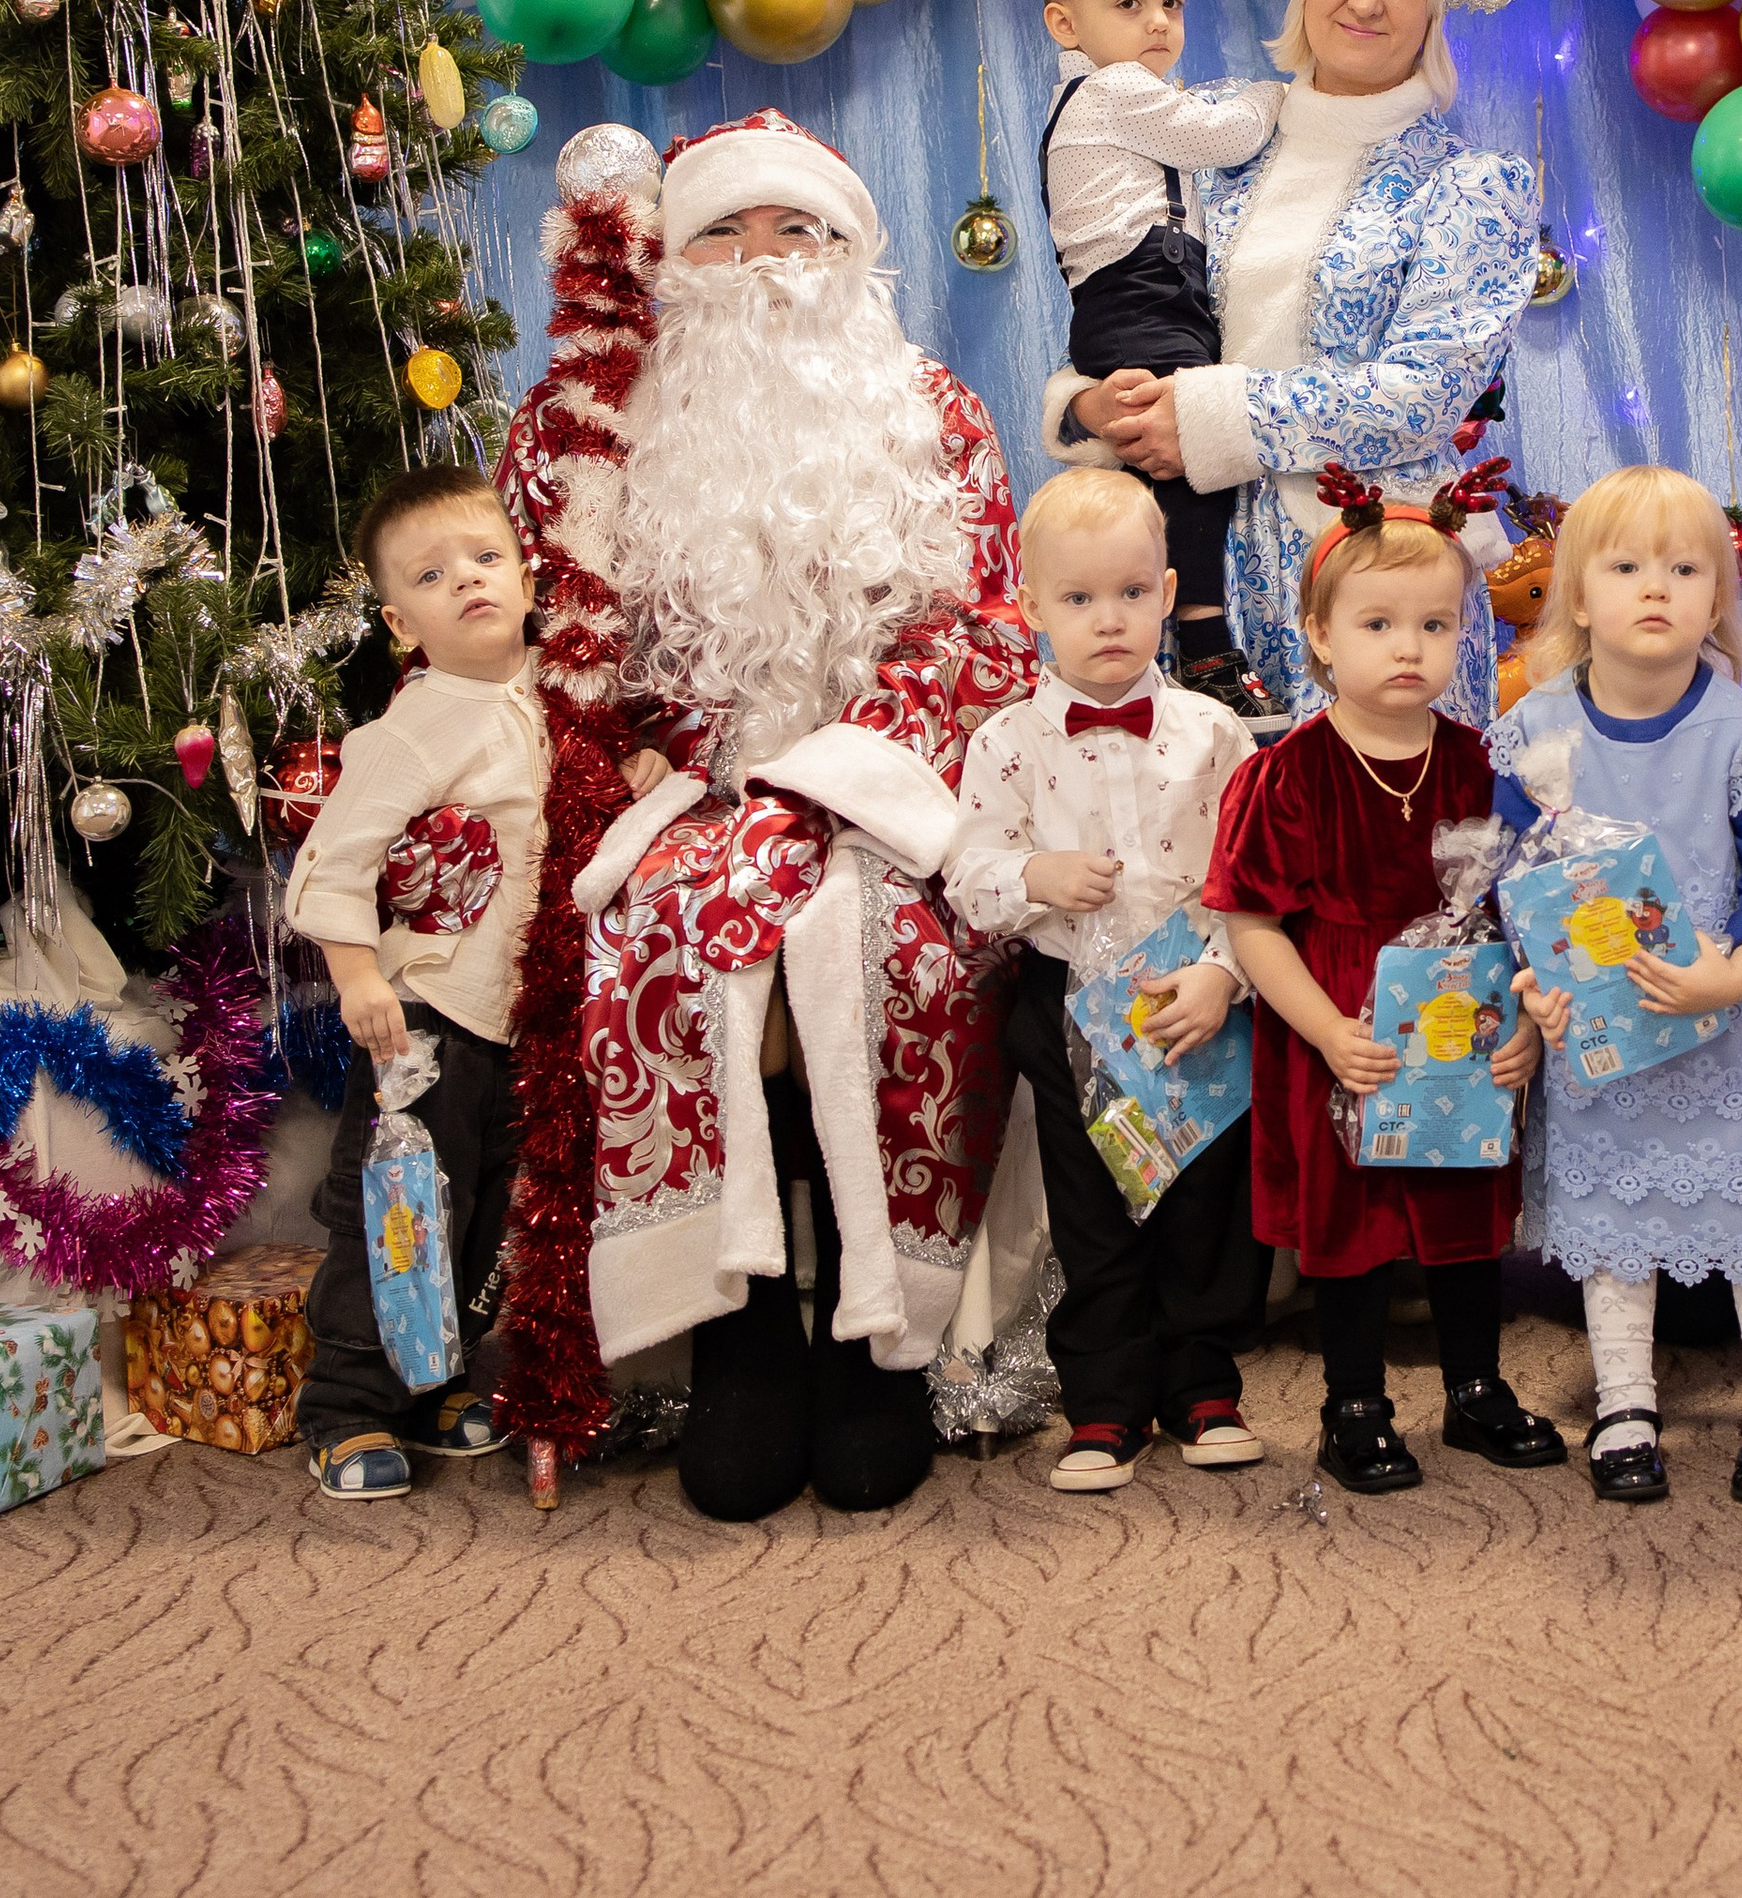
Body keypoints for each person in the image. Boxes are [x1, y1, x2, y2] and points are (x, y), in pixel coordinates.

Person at [495, 112, 1039, 1521]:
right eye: (723, 233)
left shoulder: (935, 410)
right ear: (674, 259)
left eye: (795, 232)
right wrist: (638, 769)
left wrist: (834, 780)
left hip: (888, 788)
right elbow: (548, 633)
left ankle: (879, 1337)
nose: (762, 263)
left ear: (848, 253)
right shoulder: (596, 426)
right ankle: (739, 1339)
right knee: (666, 938)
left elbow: (983, 631)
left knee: (892, 947)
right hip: (677, 791)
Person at [1046, 0, 1542, 723]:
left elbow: (1419, 394)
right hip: (1195, 583)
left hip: (1375, 578)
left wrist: (1212, 418)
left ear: (1437, 6)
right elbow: (1128, 285)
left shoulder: (1474, 188)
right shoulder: (1223, 137)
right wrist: (1086, 405)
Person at [286, 467, 663, 1500]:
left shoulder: (554, 691)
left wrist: (637, 771)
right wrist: (359, 973)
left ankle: (438, 1378)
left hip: (520, 1017)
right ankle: (347, 1404)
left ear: (528, 574)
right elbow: (330, 864)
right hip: (427, 1017)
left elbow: (580, 795)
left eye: (485, 558)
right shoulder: (408, 729)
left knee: (493, 1208)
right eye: (432, 575)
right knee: (401, 1208)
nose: (468, 582)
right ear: (400, 622)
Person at [1492, 468, 1742, 1508]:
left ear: (1716, 597)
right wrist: (1530, 986)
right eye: (1627, 565)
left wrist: (1732, 974)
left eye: (1686, 568)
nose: (1658, 587)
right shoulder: (1533, 735)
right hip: (1607, 1038)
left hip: (1738, 1026)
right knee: (1616, 1215)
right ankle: (1625, 1398)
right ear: (1577, 594)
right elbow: (1506, 883)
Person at [1204, 466, 1559, 1495]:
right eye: (1377, 624)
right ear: (1318, 634)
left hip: (1458, 1026)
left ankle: (1474, 1387)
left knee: (1460, 1214)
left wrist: (1527, 1022)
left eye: (1436, 625)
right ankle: (1351, 1402)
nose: (1409, 648)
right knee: (1348, 1225)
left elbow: (1524, 906)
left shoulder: (1479, 762)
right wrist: (1321, 1030)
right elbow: (1251, 920)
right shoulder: (1287, 772)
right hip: (1339, 1034)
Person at [945, 468, 1268, 1493]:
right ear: (1032, 607)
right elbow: (968, 876)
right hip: (1069, 1001)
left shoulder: (1214, 733)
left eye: (1131, 593)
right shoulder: (1005, 742)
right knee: (1093, 1206)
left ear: (1169, 595)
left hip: (1192, 1001)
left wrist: (1222, 975)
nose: (1109, 621)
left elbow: (1243, 880)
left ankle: (1204, 1386)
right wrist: (1034, 874)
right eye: (1079, 600)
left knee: (1202, 1197)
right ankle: (1105, 1403)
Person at [1035, 0, 1284, 710]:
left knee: (1166, 455)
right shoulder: (1112, 89)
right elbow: (1222, 138)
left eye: (1172, 4)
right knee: (1189, 450)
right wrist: (1271, 96)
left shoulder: (1121, 92)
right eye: (1130, 4)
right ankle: (1205, 642)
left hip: (1148, 288)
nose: (1158, 22)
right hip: (1139, 288)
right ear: (1065, 24)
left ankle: (1170, 640)